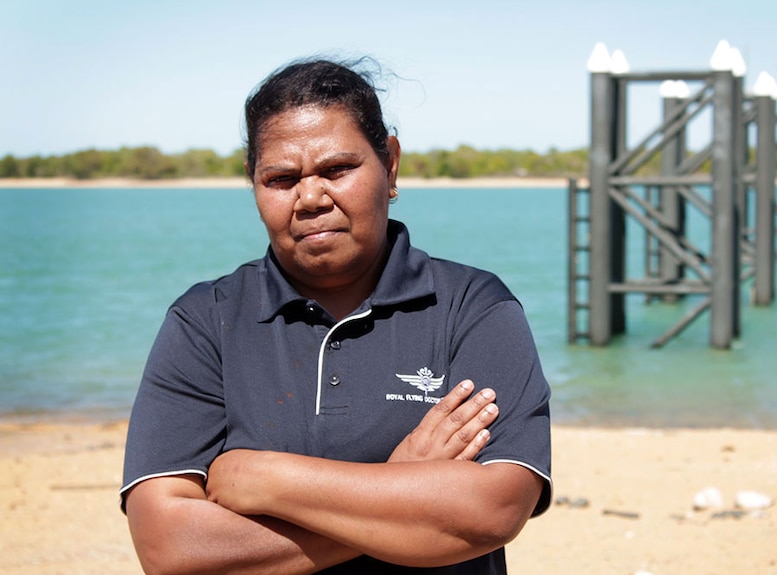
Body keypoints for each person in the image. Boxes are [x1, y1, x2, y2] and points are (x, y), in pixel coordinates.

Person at [121, 57, 552, 575]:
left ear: (389, 164)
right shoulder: (205, 322)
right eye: (280, 178)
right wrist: (403, 485)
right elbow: (170, 549)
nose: (309, 198)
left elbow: (491, 511)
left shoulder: (472, 306)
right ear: (252, 183)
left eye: (336, 170)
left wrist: (267, 478)